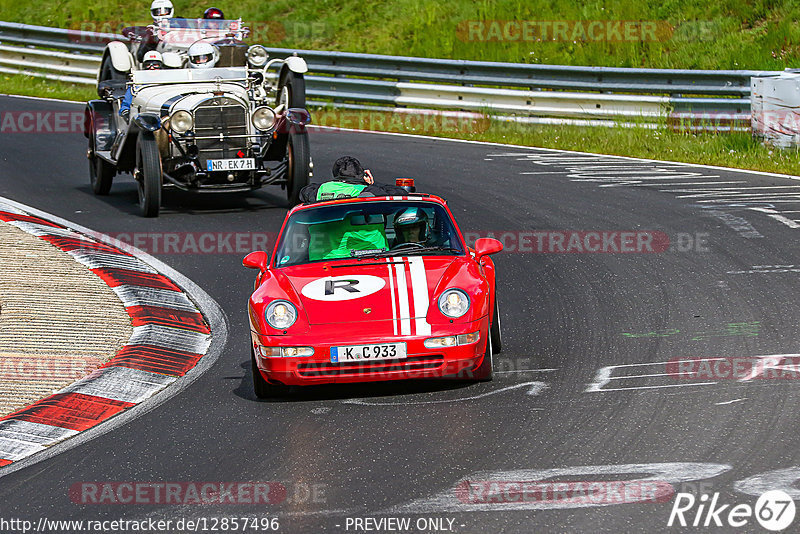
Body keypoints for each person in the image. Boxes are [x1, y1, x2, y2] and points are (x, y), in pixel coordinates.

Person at [299, 156, 408, 203]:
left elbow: (304, 192)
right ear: (361, 175)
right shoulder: (369, 191)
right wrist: (372, 184)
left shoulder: (319, 190)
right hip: (373, 250)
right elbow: (401, 194)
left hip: (326, 251)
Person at [120, 51, 163, 120]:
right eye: (148, 65)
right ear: (144, 66)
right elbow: (126, 104)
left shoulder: (167, 83)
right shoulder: (137, 84)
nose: (152, 68)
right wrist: (125, 111)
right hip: (143, 118)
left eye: (156, 65)